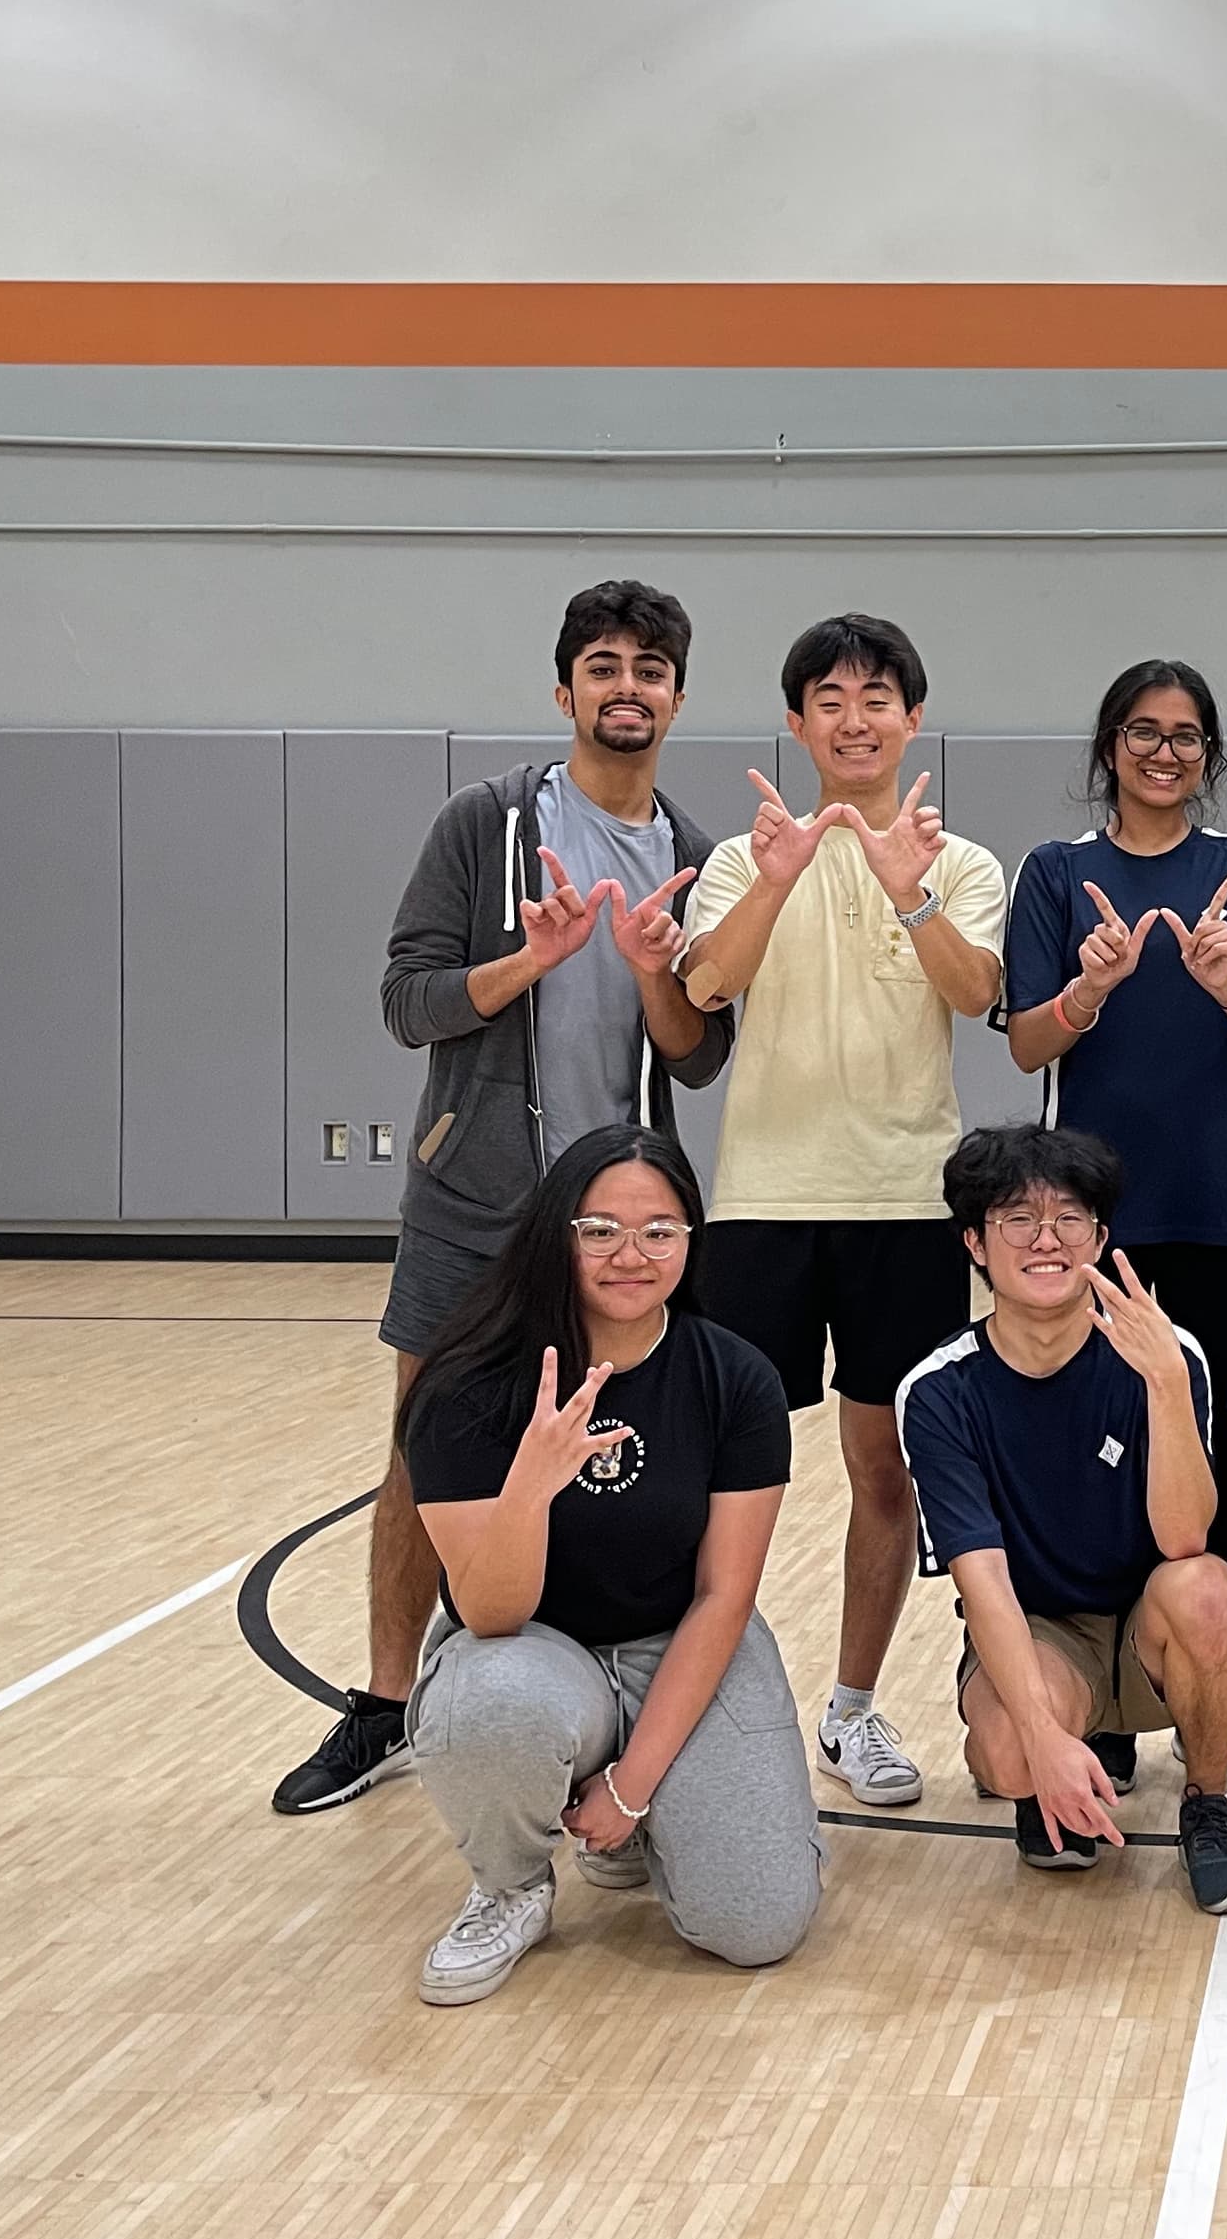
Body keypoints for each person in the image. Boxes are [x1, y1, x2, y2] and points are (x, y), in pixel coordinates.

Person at [273, 578, 733, 1817]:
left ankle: (604, 1694)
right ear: (564, 688)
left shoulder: (699, 856)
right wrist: (520, 966)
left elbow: (697, 1054)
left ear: (679, 698)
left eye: (649, 667)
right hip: (477, 1199)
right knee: (425, 1441)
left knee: (620, 1454)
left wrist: (650, 976)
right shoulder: (486, 825)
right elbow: (405, 998)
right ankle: (380, 1704)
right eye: (602, 664)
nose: (625, 686)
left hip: (622, 1215)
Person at [679, 612, 1007, 1811]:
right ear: (797, 720)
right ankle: (699, 1700)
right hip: (762, 1205)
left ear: (912, 719)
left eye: (878, 698)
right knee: (726, 1472)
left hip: (906, 1209)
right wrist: (772, 881)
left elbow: (979, 997)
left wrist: (911, 896)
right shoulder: (744, 852)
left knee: (887, 1473)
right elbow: (706, 982)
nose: (855, 718)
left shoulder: (958, 859)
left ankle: (854, 1710)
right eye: (830, 698)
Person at [394, 1125, 820, 2005]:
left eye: (660, 1231)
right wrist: (530, 1487)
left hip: (680, 1638)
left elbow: (723, 1597)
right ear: (559, 1235)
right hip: (529, 1646)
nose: (633, 1254)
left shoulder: (736, 1379)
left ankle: (640, 1822)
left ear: (691, 1241)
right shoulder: (469, 1383)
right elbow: (492, 1615)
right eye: (601, 1230)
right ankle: (512, 1886)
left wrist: (631, 1790)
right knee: (493, 1701)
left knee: (756, 1928)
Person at [1003, 659, 1227, 1797]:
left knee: (1207, 1468)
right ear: (1110, 746)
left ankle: (1203, 1718)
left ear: (1208, 753)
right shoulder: (1056, 875)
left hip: (1218, 1222)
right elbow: (1030, 1045)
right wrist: (1091, 988)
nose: (1165, 752)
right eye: (1144, 732)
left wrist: (1224, 982)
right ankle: (1102, 1709)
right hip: (1083, 1232)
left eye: (1187, 735)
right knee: (1095, 1460)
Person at [893, 1122, 1227, 1914]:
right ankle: (1051, 1778)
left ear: (1100, 1238)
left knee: (1207, 1589)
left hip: (1146, 1625)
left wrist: (1167, 1388)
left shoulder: (1169, 1354)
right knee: (1004, 1752)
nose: (1047, 1240)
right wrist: (1039, 1741)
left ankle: (1206, 1804)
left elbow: (1183, 1540)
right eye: (1018, 1220)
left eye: (1070, 1219)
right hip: (1039, 1629)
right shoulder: (938, 1392)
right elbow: (984, 1584)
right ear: (975, 1242)